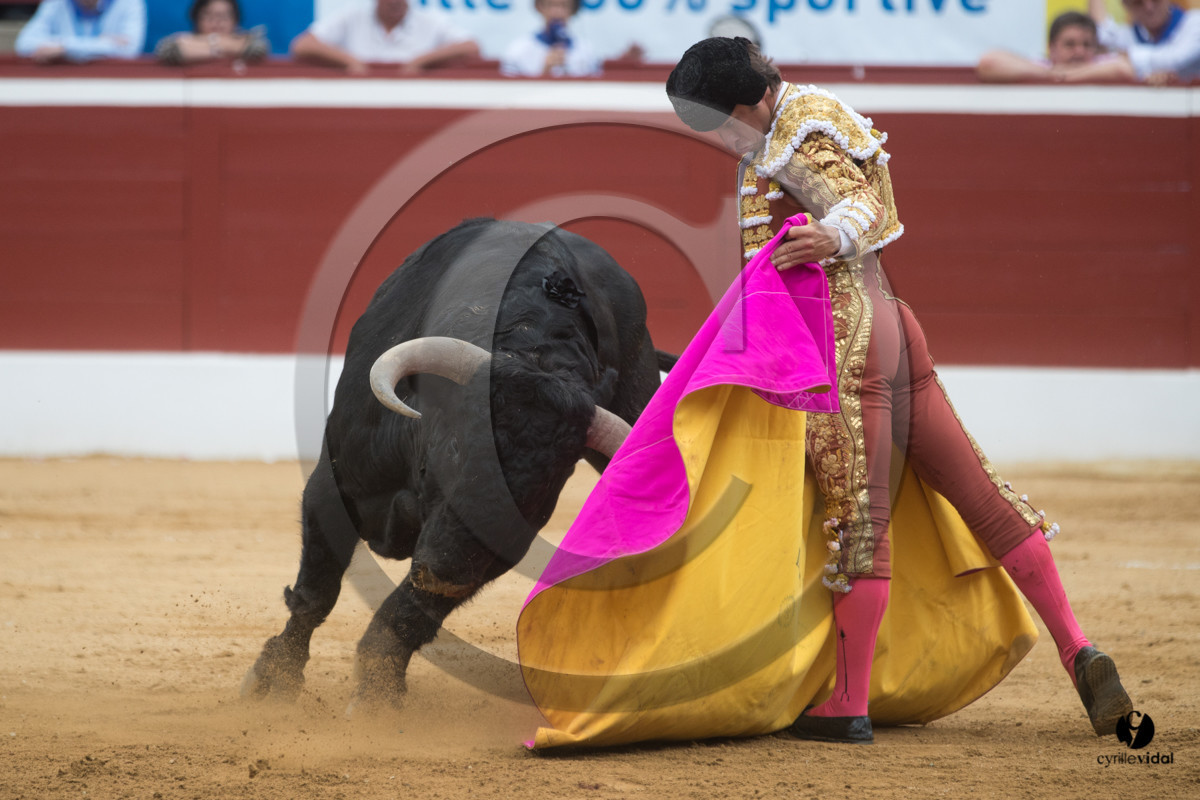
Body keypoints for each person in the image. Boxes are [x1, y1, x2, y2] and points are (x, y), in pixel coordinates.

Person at [664, 37, 1134, 744]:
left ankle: (846, 703)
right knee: (980, 492)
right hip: (890, 323)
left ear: (755, 98)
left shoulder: (795, 134)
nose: (725, 139)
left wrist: (829, 235)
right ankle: (1079, 649)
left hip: (841, 336)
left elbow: (859, 205)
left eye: (727, 122)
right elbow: (873, 197)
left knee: (858, 516)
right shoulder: (805, 117)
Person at [289, 0, 479, 76]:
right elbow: (302, 45)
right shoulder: (351, 17)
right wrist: (350, 61)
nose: (394, 2)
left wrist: (420, 62)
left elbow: (471, 47)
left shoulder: (430, 20)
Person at [977, 11, 1134, 83]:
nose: (1079, 51)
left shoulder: (1102, 63)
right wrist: (1049, 73)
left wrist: (1063, 77)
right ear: (1051, 48)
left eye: (1087, 45)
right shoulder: (1042, 66)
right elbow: (989, 63)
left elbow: (1124, 69)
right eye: (1069, 44)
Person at [1089, 0, 1200, 83]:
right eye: (1138, 3)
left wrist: (1128, 57)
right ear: (1126, 6)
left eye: (1155, 0)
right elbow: (1101, 34)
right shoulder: (1128, 35)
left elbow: (1175, 59)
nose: (1149, 8)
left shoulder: (1194, 21)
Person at [14, 0, 146, 63]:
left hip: (111, 87)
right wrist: (105, 43)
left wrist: (64, 48)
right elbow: (24, 44)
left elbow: (129, 50)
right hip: (61, 85)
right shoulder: (55, 3)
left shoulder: (129, 3)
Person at [501, 0, 601, 78]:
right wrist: (544, 72)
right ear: (539, 7)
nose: (557, 12)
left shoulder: (587, 50)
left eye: (564, 5)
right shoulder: (518, 49)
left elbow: (596, 91)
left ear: (573, 10)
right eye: (551, 5)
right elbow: (508, 93)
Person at [154, 0, 269, 66]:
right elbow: (166, 50)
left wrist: (198, 47)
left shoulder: (248, 39)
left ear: (235, 20)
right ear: (196, 19)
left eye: (223, 16)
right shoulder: (183, 38)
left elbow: (259, 49)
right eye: (209, 15)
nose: (217, 22)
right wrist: (225, 46)